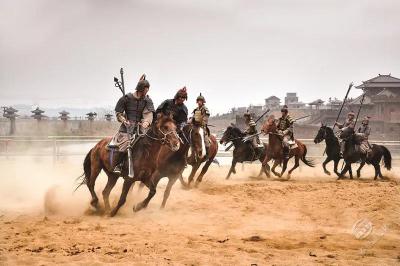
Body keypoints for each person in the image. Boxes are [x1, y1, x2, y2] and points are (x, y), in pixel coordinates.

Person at [111, 74, 155, 176]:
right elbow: (119, 113)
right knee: (125, 144)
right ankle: (119, 164)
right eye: (145, 90)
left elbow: (148, 114)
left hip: (140, 129)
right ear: (140, 89)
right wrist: (123, 120)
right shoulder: (126, 98)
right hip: (126, 128)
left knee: (149, 144)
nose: (146, 92)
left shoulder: (147, 100)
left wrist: (146, 122)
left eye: (147, 90)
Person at [192, 93, 211, 158]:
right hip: (195, 127)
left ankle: (207, 156)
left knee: (206, 141)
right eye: (198, 101)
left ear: (203, 102)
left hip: (202, 127)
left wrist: (200, 124)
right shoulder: (196, 109)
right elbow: (193, 118)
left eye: (201, 101)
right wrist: (190, 121)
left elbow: (205, 119)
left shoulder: (205, 109)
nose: (199, 102)